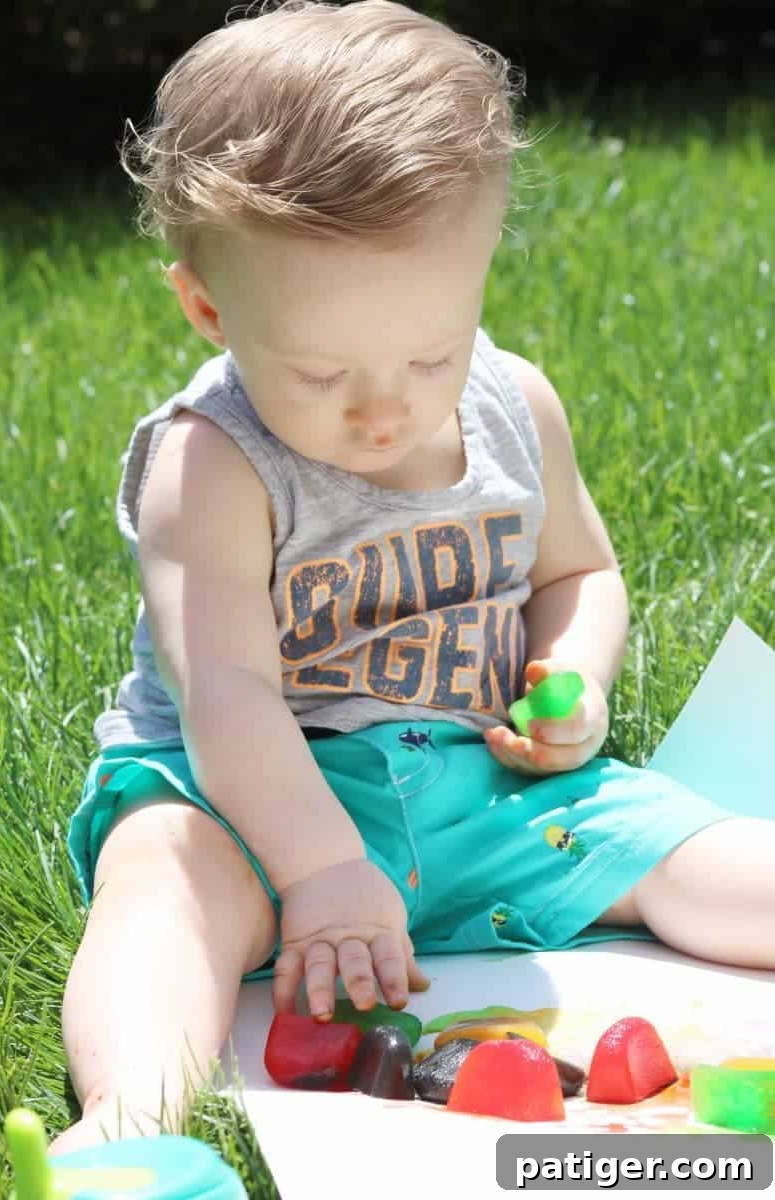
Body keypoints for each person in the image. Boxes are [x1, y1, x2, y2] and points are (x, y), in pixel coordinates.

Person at [50, 0, 774, 1156]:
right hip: (256, 802)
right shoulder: (214, 461)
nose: (384, 407)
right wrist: (320, 868)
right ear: (205, 305)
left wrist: (573, 683)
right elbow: (224, 696)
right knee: (163, 889)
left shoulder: (511, 405)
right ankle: (131, 1123)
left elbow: (580, 569)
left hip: (489, 790)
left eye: (431, 350)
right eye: (323, 369)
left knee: (712, 859)